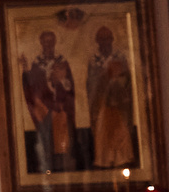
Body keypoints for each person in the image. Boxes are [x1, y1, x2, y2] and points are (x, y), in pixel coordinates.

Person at [21, 29, 77, 174]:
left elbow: (70, 87)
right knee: (47, 143)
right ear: (41, 43)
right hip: (45, 111)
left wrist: (62, 81)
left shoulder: (62, 62)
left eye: (51, 41)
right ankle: (49, 172)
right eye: (45, 42)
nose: (48, 44)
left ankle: (65, 173)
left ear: (54, 43)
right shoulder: (37, 64)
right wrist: (26, 70)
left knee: (64, 143)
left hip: (62, 110)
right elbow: (32, 87)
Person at [87, 22, 138, 170]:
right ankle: (104, 160)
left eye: (108, 38)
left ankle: (123, 159)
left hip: (118, 104)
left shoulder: (120, 57)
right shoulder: (94, 60)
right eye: (101, 39)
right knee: (102, 132)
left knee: (121, 132)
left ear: (112, 39)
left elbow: (127, 81)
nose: (105, 42)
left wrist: (117, 80)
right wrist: (105, 77)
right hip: (102, 105)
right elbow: (92, 85)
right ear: (97, 41)